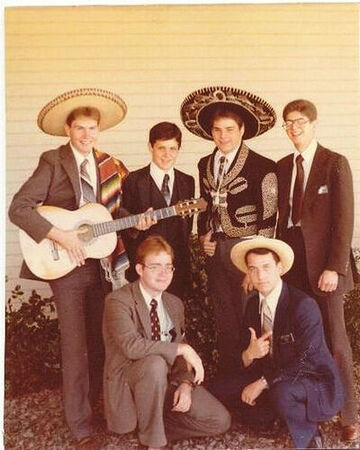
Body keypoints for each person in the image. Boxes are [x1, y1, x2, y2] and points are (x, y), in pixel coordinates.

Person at [8, 88, 154, 449]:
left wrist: (139, 223)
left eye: (92, 129)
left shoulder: (110, 165)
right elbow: (19, 208)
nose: (86, 136)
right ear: (68, 131)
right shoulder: (53, 162)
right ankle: (81, 427)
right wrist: (60, 235)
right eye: (80, 129)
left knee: (103, 341)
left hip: (103, 266)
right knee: (76, 347)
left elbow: (110, 219)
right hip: (67, 267)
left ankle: (106, 410)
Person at [208, 236, 344, 449]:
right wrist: (249, 354)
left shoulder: (303, 305)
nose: (260, 276)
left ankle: (309, 435)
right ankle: (270, 416)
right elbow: (241, 354)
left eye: (266, 267)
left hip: (310, 378)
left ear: (279, 268)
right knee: (218, 387)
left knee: (281, 392)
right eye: (253, 269)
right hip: (273, 373)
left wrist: (262, 382)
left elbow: (307, 360)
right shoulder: (253, 304)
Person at [276, 99, 359, 442]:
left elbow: (344, 221)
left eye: (300, 122)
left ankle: (349, 415)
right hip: (292, 264)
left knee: (335, 340)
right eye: (288, 123)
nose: (294, 128)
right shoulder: (283, 166)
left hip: (325, 268)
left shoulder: (334, 163)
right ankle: (309, 407)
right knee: (298, 339)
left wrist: (333, 268)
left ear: (313, 123)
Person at [180, 86, 278, 374]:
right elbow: (205, 205)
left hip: (246, 252)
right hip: (217, 254)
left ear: (242, 129)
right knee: (224, 320)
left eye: (230, 129)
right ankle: (232, 384)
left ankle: (259, 387)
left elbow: (269, 220)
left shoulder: (263, 166)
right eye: (218, 130)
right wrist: (204, 237)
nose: (224, 136)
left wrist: (256, 266)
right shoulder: (205, 164)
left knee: (253, 320)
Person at [103, 235, 231, 450]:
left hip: (165, 382)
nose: (163, 273)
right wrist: (182, 349)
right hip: (130, 382)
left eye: (168, 267)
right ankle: (152, 442)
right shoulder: (118, 301)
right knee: (154, 363)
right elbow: (132, 346)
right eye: (155, 267)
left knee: (219, 420)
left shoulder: (174, 304)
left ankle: (153, 426)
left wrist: (185, 383)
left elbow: (179, 345)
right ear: (140, 269)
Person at [122, 121, 195, 298]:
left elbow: (186, 229)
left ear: (179, 149)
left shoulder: (187, 181)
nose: (167, 155)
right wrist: (136, 226)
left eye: (173, 148)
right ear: (150, 147)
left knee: (174, 322)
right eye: (161, 148)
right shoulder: (133, 180)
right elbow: (122, 221)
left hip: (177, 271)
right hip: (144, 270)